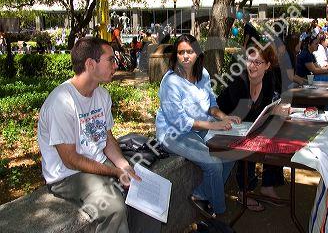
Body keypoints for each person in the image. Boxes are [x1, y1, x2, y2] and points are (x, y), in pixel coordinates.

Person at [37, 37, 141, 233]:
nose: (115, 64)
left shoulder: (102, 95)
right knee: (113, 207)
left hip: (97, 162)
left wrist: (124, 165)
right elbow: (70, 160)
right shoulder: (61, 102)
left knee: (138, 187)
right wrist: (115, 172)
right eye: (110, 59)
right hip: (68, 175)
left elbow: (108, 139)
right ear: (90, 64)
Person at [155, 34, 241, 218]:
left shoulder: (203, 75)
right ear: (175, 56)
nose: (185, 56)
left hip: (198, 130)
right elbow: (180, 121)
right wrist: (215, 126)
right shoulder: (170, 82)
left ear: (198, 54)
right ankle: (220, 213)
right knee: (214, 164)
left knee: (231, 152)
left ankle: (201, 194)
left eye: (190, 51)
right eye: (181, 52)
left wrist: (224, 117)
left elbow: (211, 103)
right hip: (173, 134)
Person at [217, 43, 289, 212]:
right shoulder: (238, 81)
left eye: (258, 62)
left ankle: (268, 185)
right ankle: (245, 192)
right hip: (227, 124)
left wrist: (279, 109)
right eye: (250, 61)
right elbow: (241, 115)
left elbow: (271, 103)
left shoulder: (270, 79)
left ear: (267, 65)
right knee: (249, 141)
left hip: (249, 124)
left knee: (275, 132)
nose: (252, 66)